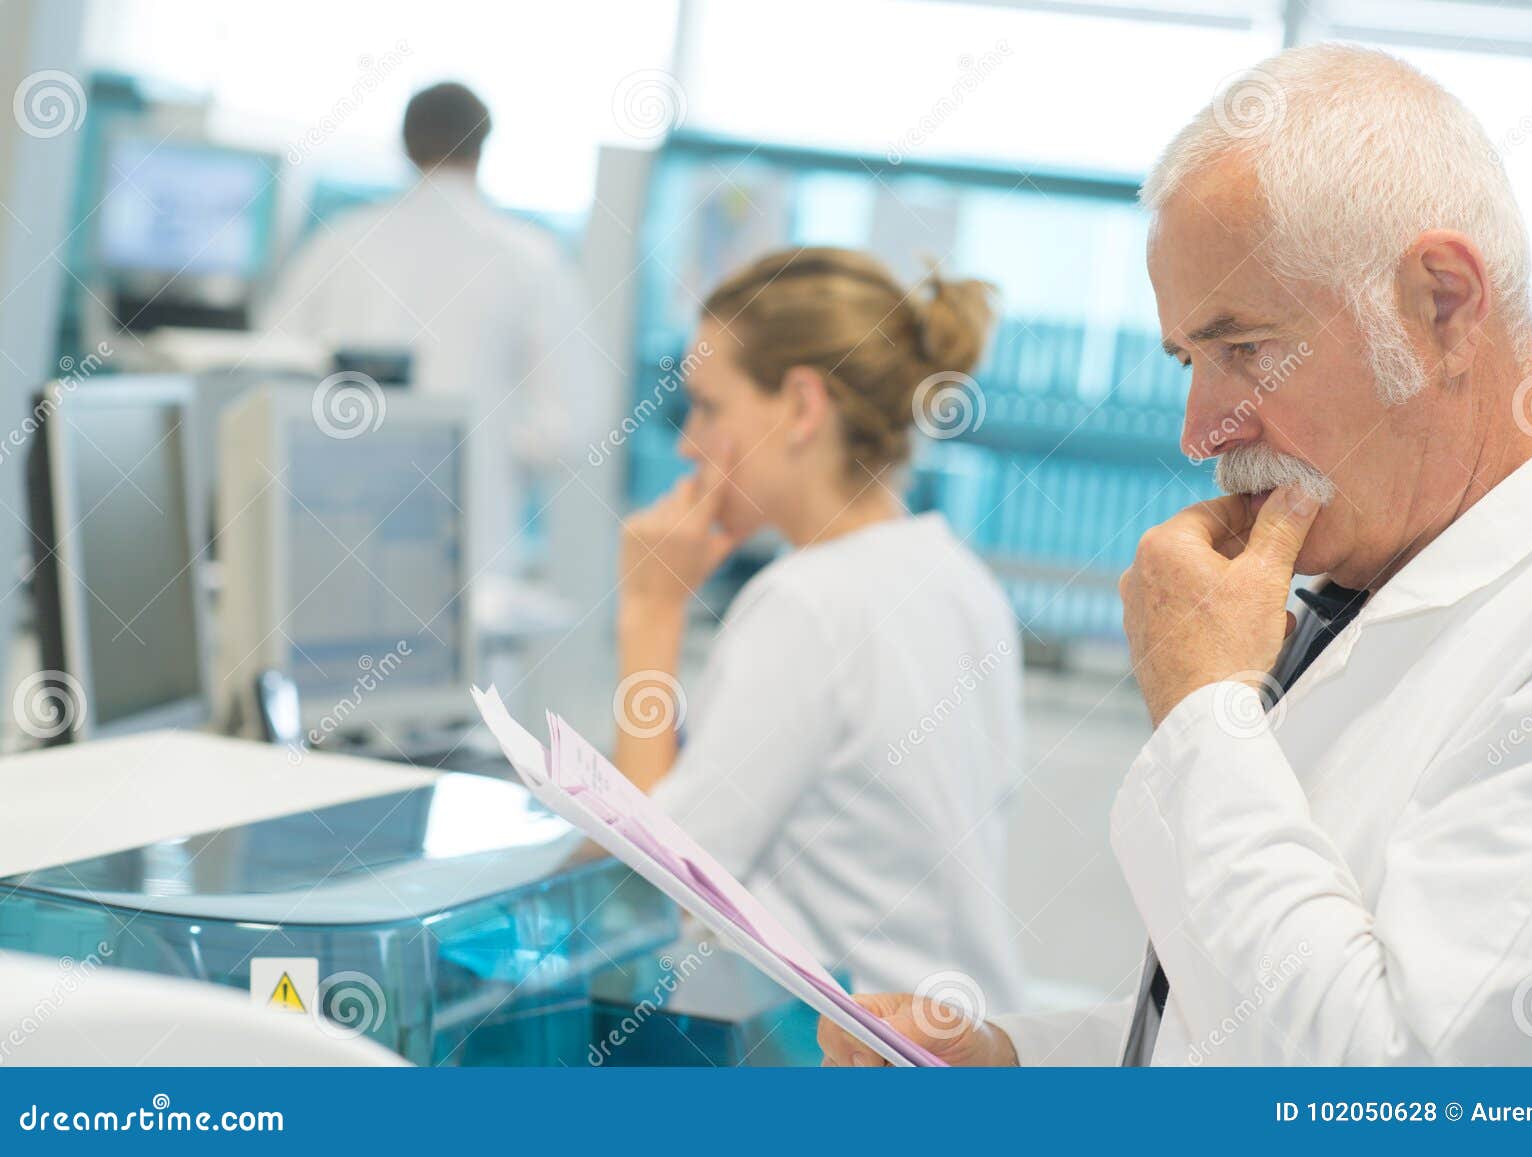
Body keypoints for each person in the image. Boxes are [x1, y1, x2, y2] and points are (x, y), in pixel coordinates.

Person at [820, 44, 1532, 1067]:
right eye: (1190, 359)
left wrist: (1201, 713)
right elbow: (1251, 1016)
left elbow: (1410, 1086)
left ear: (1442, 303)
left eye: (1246, 346)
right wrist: (1018, 1060)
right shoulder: (1377, 574)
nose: (1199, 428)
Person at [611, 247, 1025, 1009]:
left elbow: (652, 890)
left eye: (708, 406)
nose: (687, 443)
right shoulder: (958, 578)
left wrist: (651, 613)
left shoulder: (806, 603)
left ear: (802, 406)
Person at [260, 81, 593, 576]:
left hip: (336, 532)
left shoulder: (338, 243)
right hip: (470, 544)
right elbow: (571, 428)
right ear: (483, 147)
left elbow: (268, 371)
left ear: (404, 145)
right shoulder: (530, 259)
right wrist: (486, 444)